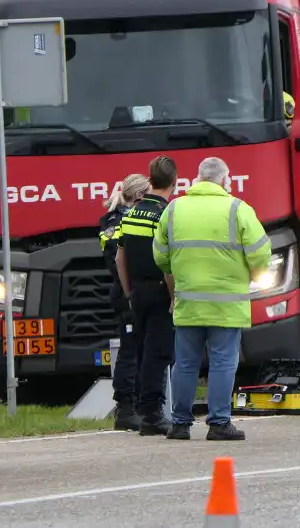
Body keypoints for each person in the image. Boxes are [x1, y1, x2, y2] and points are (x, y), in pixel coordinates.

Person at [154, 157, 272, 441]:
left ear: (197, 178)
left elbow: (160, 254)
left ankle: (180, 424)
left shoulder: (174, 208)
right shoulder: (237, 209)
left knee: (185, 364)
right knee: (222, 363)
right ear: (224, 180)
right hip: (226, 304)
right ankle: (218, 423)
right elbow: (260, 252)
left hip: (188, 302)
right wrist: (255, 275)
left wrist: (178, 272)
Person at [116, 156, 178, 435]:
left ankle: (143, 409)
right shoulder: (165, 215)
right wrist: (174, 296)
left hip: (137, 291)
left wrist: (129, 290)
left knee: (140, 352)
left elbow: (120, 257)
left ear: (150, 181)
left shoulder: (130, 213)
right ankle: (153, 414)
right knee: (158, 353)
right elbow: (166, 262)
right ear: (174, 183)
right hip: (158, 290)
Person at [100, 173, 152, 430]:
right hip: (126, 294)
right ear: (140, 196)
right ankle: (125, 408)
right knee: (130, 353)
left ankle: (138, 407)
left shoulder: (121, 218)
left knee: (140, 352)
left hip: (132, 292)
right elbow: (116, 259)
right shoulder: (116, 220)